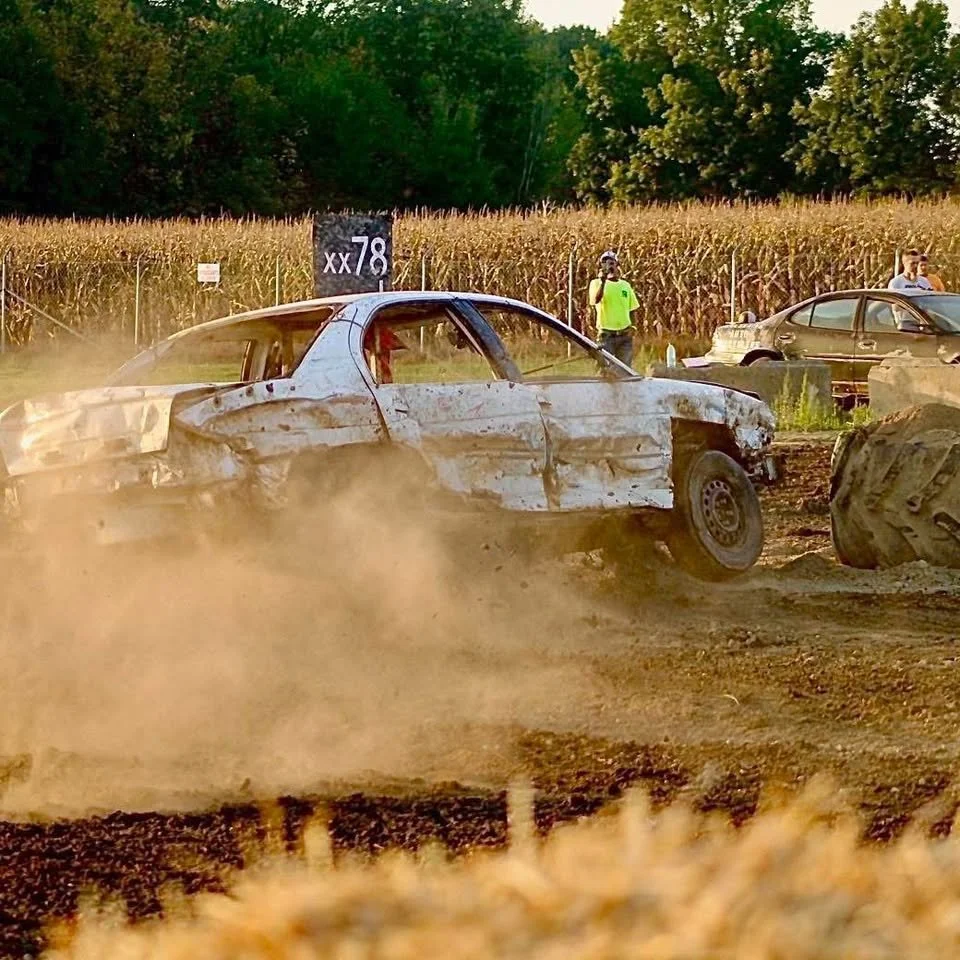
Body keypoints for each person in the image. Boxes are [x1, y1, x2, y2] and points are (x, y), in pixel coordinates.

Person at [588, 251, 640, 367]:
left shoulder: (625, 285)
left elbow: (633, 308)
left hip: (625, 335)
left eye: (611, 262)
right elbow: (596, 300)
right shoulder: (596, 283)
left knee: (625, 371)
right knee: (605, 371)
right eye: (604, 262)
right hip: (606, 336)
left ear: (617, 265)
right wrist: (603, 281)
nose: (609, 265)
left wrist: (633, 326)